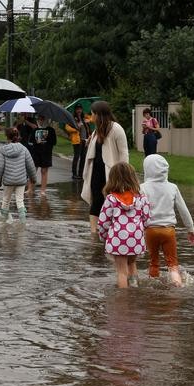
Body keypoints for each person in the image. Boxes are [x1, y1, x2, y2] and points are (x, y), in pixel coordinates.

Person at [140, 154, 194, 286]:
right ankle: (178, 286)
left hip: (150, 230)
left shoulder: (142, 187)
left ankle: (152, 288)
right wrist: (191, 230)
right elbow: (184, 211)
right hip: (168, 231)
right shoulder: (172, 187)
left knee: (154, 262)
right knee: (172, 264)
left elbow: (138, 210)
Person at [97, 162, 151, 289]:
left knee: (121, 272)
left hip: (118, 240)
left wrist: (104, 237)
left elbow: (103, 222)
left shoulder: (111, 199)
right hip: (136, 239)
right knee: (132, 265)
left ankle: (123, 299)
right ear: (133, 178)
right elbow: (147, 220)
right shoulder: (142, 198)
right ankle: (134, 289)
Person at [82, 101, 130, 234]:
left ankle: (111, 230)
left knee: (111, 201)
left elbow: (124, 153)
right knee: (95, 200)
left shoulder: (116, 129)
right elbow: (97, 149)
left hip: (111, 173)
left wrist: (123, 174)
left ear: (98, 114)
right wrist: (90, 142)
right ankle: (94, 232)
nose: (91, 116)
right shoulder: (96, 130)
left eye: (92, 114)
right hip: (96, 172)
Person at [0, 127, 37, 222]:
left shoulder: (3, 150)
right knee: (20, 201)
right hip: (21, 181)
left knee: (6, 200)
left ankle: (3, 220)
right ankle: (23, 221)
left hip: (8, 181)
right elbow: (30, 165)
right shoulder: (24, 149)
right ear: (18, 136)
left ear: (7, 137)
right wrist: (33, 179)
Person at [32, 115, 57, 196]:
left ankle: (43, 190)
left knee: (44, 171)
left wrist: (46, 140)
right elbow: (31, 141)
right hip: (36, 153)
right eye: (39, 119)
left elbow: (54, 142)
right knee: (32, 171)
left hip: (46, 153)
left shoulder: (50, 130)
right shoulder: (35, 129)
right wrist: (37, 141)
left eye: (42, 119)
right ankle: (30, 189)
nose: (40, 121)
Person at [65, 104, 90, 179]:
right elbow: (67, 127)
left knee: (83, 157)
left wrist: (88, 120)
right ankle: (74, 174)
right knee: (76, 157)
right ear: (75, 110)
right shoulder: (73, 118)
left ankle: (80, 174)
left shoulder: (84, 117)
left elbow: (93, 118)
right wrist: (76, 128)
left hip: (85, 140)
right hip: (77, 141)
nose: (79, 110)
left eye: (80, 109)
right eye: (77, 109)